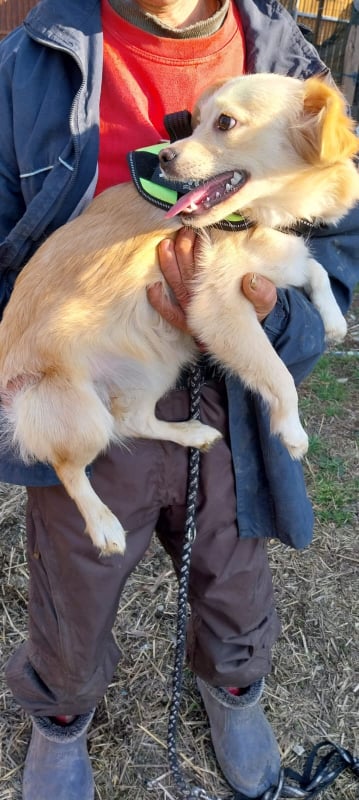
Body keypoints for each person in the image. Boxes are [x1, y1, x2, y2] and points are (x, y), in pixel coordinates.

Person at [0, 1, 358, 799]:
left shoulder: (291, 67)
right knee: (75, 581)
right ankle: (61, 719)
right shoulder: (27, 67)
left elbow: (333, 241)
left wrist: (286, 320)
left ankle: (235, 693)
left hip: (229, 403)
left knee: (233, 572)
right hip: (94, 360)